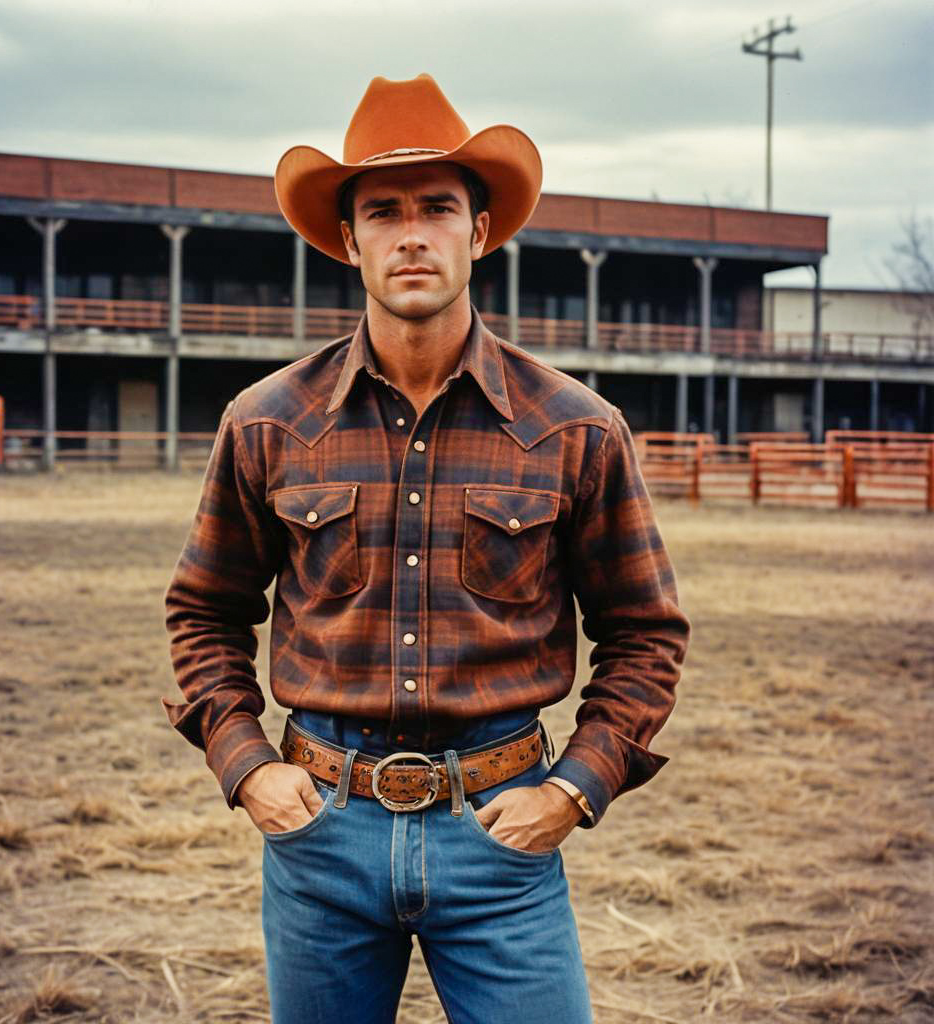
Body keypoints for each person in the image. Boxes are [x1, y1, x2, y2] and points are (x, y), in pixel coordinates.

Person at [162, 72, 690, 1024]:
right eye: (385, 211)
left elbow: (646, 633)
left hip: (502, 834)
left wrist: (574, 788)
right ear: (350, 239)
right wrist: (246, 765)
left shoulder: (576, 427)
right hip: (319, 831)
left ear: (480, 232)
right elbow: (204, 609)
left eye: (440, 208)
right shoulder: (268, 422)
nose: (413, 234)